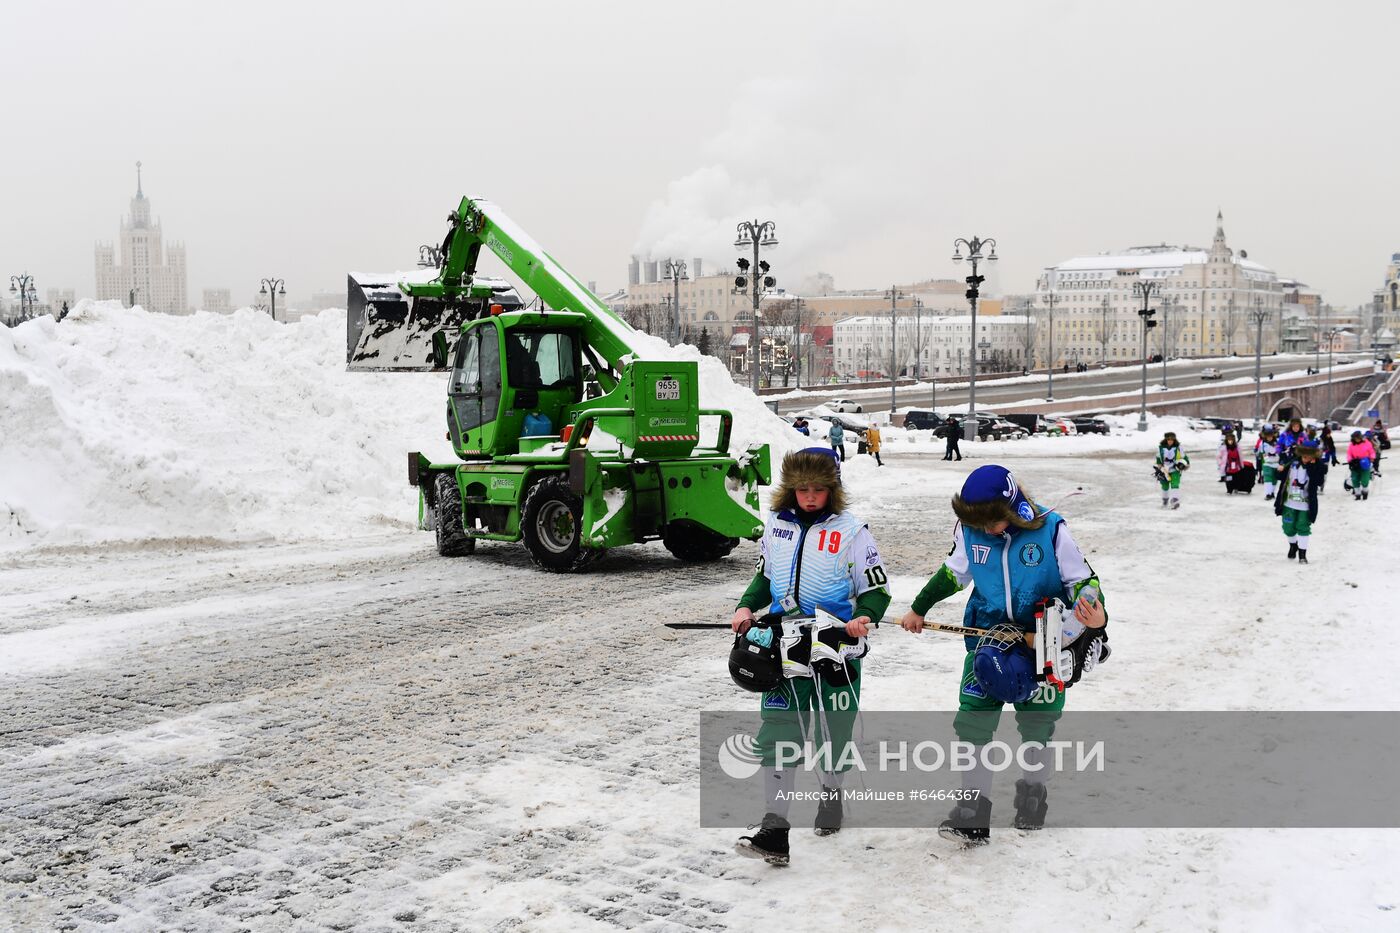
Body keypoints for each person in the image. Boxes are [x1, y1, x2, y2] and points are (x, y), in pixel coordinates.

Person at [901, 465, 1107, 846]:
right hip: (989, 641)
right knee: (972, 721)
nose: (989, 530)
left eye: (995, 522)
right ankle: (973, 810)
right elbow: (953, 573)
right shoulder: (971, 530)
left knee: (1037, 725)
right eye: (979, 524)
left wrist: (1094, 610)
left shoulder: (1051, 528)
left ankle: (1033, 793)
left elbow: (1083, 581)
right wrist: (919, 607)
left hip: (1042, 644)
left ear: (1015, 508)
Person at [729, 448, 891, 865]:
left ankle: (832, 793)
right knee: (779, 733)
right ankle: (775, 830)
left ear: (832, 490)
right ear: (791, 489)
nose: (811, 496)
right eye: (803, 489)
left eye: (819, 489)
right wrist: (747, 606)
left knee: (833, 734)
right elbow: (765, 577)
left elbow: (877, 589)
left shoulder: (853, 532)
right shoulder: (777, 526)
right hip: (784, 647)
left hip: (835, 646)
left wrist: (864, 616)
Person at [1275, 439, 1326, 563]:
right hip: (1289, 502)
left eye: (1309, 456)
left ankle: (1302, 555)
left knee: (1303, 527)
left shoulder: (1319, 466)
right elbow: (1280, 478)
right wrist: (1280, 470)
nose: (1305, 458)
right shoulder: (1292, 463)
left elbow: (1318, 482)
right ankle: (1293, 545)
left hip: (1305, 504)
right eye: (1303, 455)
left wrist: (1313, 466)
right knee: (1288, 528)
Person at [1155, 431, 1190, 509]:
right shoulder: (1161, 448)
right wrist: (1159, 466)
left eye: (1172, 439)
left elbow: (1184, 456)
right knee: (1165, 485)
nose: (1170, 441)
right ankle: (1165, 500)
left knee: (1175, 484)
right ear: (1166, 439)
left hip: (1175, 469)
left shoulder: (1178, 447)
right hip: (1164, 469)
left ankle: (1175, 500)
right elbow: (1158, 458)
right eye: (1168, 439)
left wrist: (1187, 463)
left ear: (1174, 440)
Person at [1346, 430, 1377, 501]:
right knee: (1355, 479)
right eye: (1355, 438)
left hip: (1365, 463)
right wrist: (1350, 460)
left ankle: (1365, 492)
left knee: (1365, 480)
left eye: (1357, 438)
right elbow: (1349, 453)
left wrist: (1372, 458)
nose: (1356, 439)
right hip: (1355, 464)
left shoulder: (1367, 443)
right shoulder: (1351, 444)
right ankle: (1357, 494)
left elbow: (1372, 452)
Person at [1255, 425, 1282, 500]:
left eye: (1271, 436)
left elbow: (1280, 451)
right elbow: (1259, 452)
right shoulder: (1262, 444)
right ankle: (1268, 494)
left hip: (1276, 464)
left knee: (1274, 479)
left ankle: (1272, 492)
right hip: (1267, 464)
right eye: (1268, 436)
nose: (1269, 437)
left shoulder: (1277, 443)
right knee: (1268, 479)